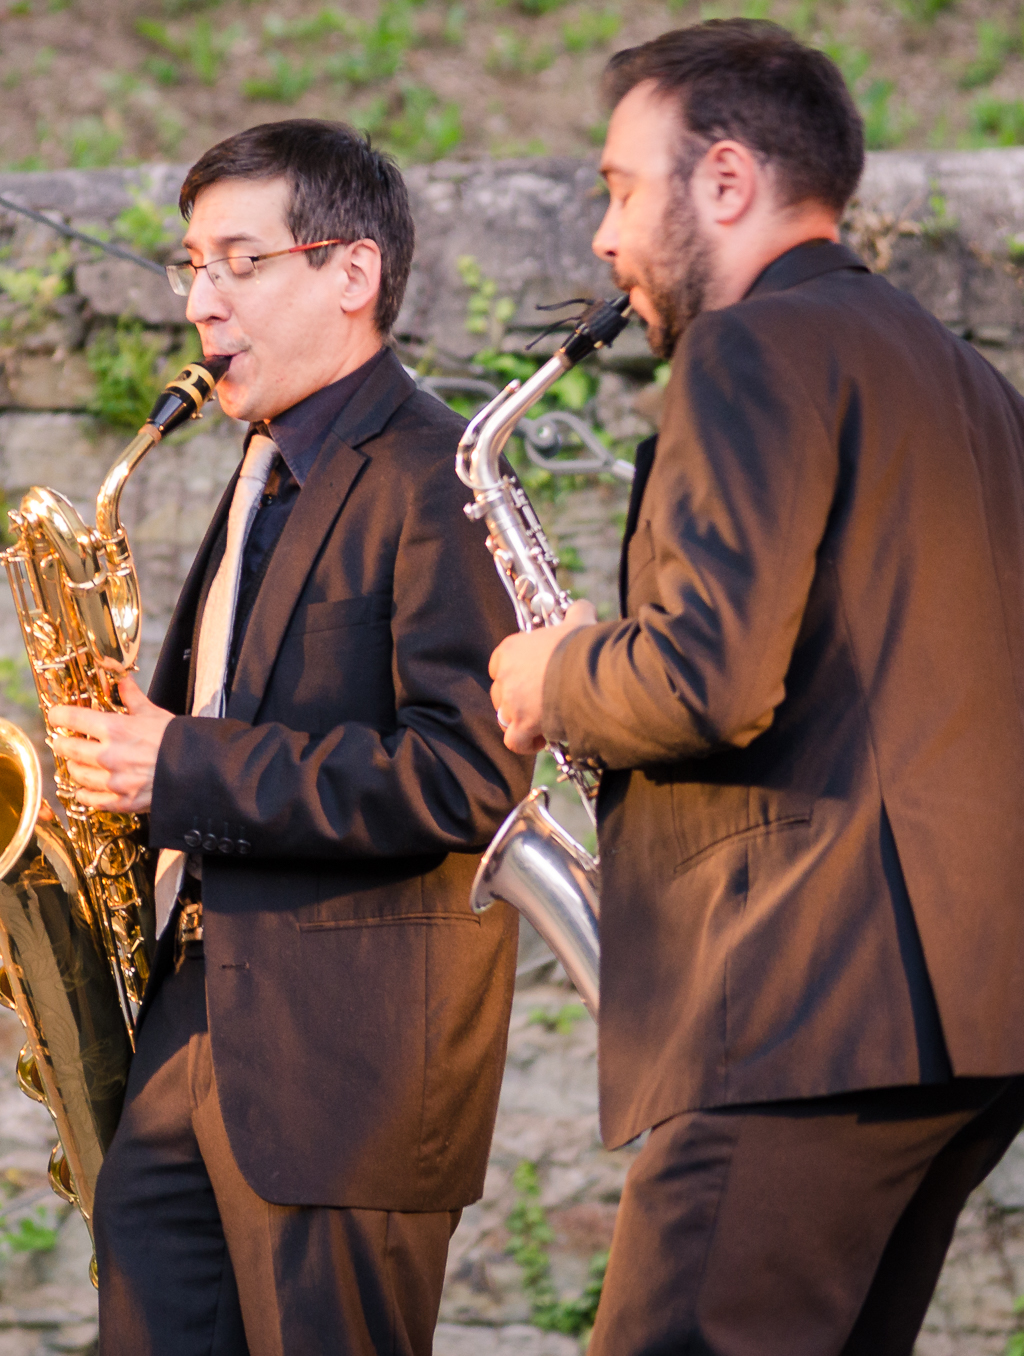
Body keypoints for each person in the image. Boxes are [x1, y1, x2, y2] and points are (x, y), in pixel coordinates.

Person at [488, 21, 1024, 1354]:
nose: (606, 240)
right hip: (961, 1012)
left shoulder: (748, 350)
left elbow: (707, 677)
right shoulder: (962, 376)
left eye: (619, 188)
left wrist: (559, 672)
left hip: (809, 999)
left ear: (725, 182)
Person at [49, 121, 529, 1355]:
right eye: (189, 265)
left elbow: (468, 774)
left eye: (237, 262)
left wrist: (183, 766)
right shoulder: (259, 466)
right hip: (189, 1027)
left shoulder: (438, 475)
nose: (199, 302)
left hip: (345, 1072)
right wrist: (121, 776)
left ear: (349, 275)